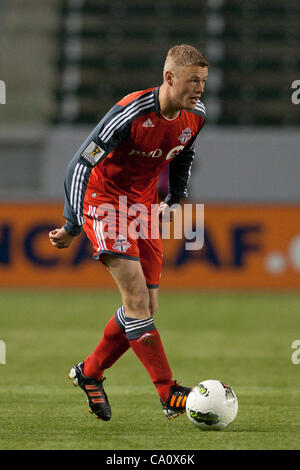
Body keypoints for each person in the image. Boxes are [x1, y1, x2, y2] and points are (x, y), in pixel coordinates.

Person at [49, 44, 208, 421]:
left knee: (145, 309)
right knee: (136, 300)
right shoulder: (131, 112)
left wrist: (177, 194)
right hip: (103, 202)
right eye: (193, 81)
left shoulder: (196, 115)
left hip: (144, 206)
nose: (199, 89)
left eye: (203, 81)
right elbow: (77, 166)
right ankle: (168, 393)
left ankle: (89, 372)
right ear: (170, 77)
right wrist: (73, 224)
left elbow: (184, 150)